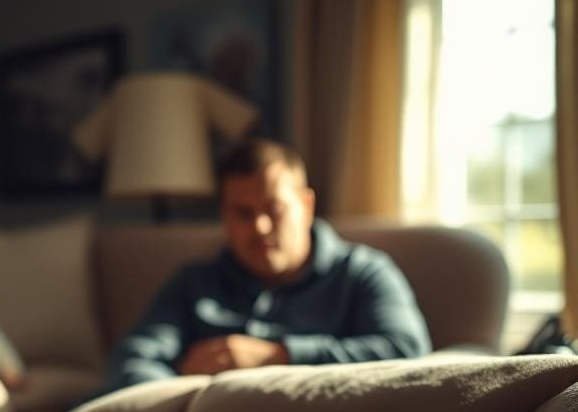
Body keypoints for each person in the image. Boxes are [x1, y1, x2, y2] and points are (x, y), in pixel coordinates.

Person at [99, 138, 432, 394]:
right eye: (243, 213)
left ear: (306, 206)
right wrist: (178, 403)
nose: (259, 227)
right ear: (224, 216)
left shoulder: (363, 272)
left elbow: (407, 349)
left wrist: (277, 356)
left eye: (274, 209)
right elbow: (133, 358)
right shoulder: (194, 282)